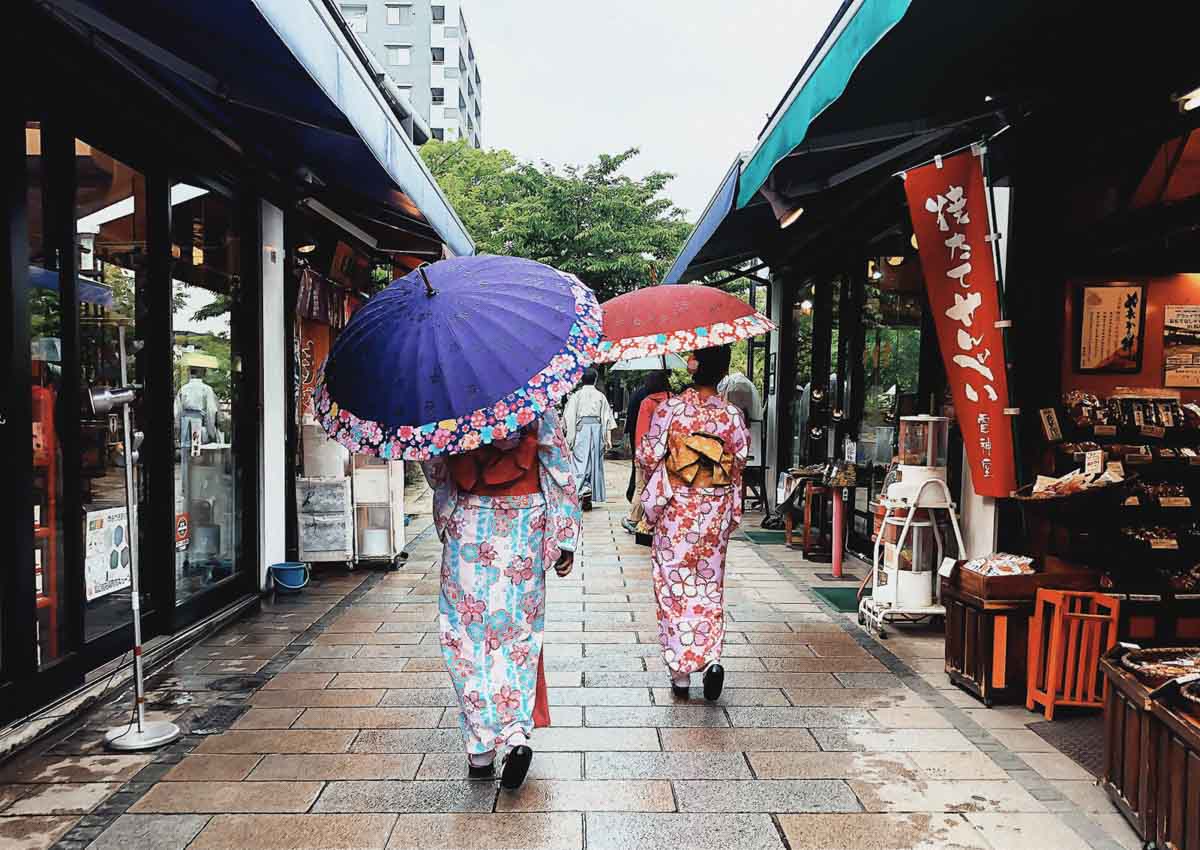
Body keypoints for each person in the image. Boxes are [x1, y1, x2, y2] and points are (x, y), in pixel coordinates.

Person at [422, 408, 581, 790]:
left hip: (470, 521)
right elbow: (559, 465)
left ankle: (480, 747)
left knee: (465, 633)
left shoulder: (450, 401)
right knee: (517, 632)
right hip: (525, 521)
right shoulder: (533, 397)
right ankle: (514, 735)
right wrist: (564, 538)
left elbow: (435, 467)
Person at [637, 345, 749, 701]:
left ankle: (682, 674)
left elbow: (647, 454)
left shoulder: (671, 409)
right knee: (709, 585)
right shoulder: (731, 414)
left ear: (693, 365)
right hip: (713, 509)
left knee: (673, 587)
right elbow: (739, 462)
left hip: (677, 510)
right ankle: (712, 657)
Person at [622, 371, 671, 535]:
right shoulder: (674, 400)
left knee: (641, 486)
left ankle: (634, 519)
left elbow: (642, 431)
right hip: (669, 450)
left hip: (649, 451)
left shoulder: (647, 402)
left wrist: (639, 455)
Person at [562, 369, 616, 508]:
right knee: (594, 463)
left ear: (581, 380)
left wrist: (570, 437)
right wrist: (607, 438)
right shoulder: (600, 396)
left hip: (581, 430)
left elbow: (569, 417)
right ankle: (588, 491)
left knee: (580, 462)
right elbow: (606, 419)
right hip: (597, 430)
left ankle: (581, 491)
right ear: (595, 380)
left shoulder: (577, 396)